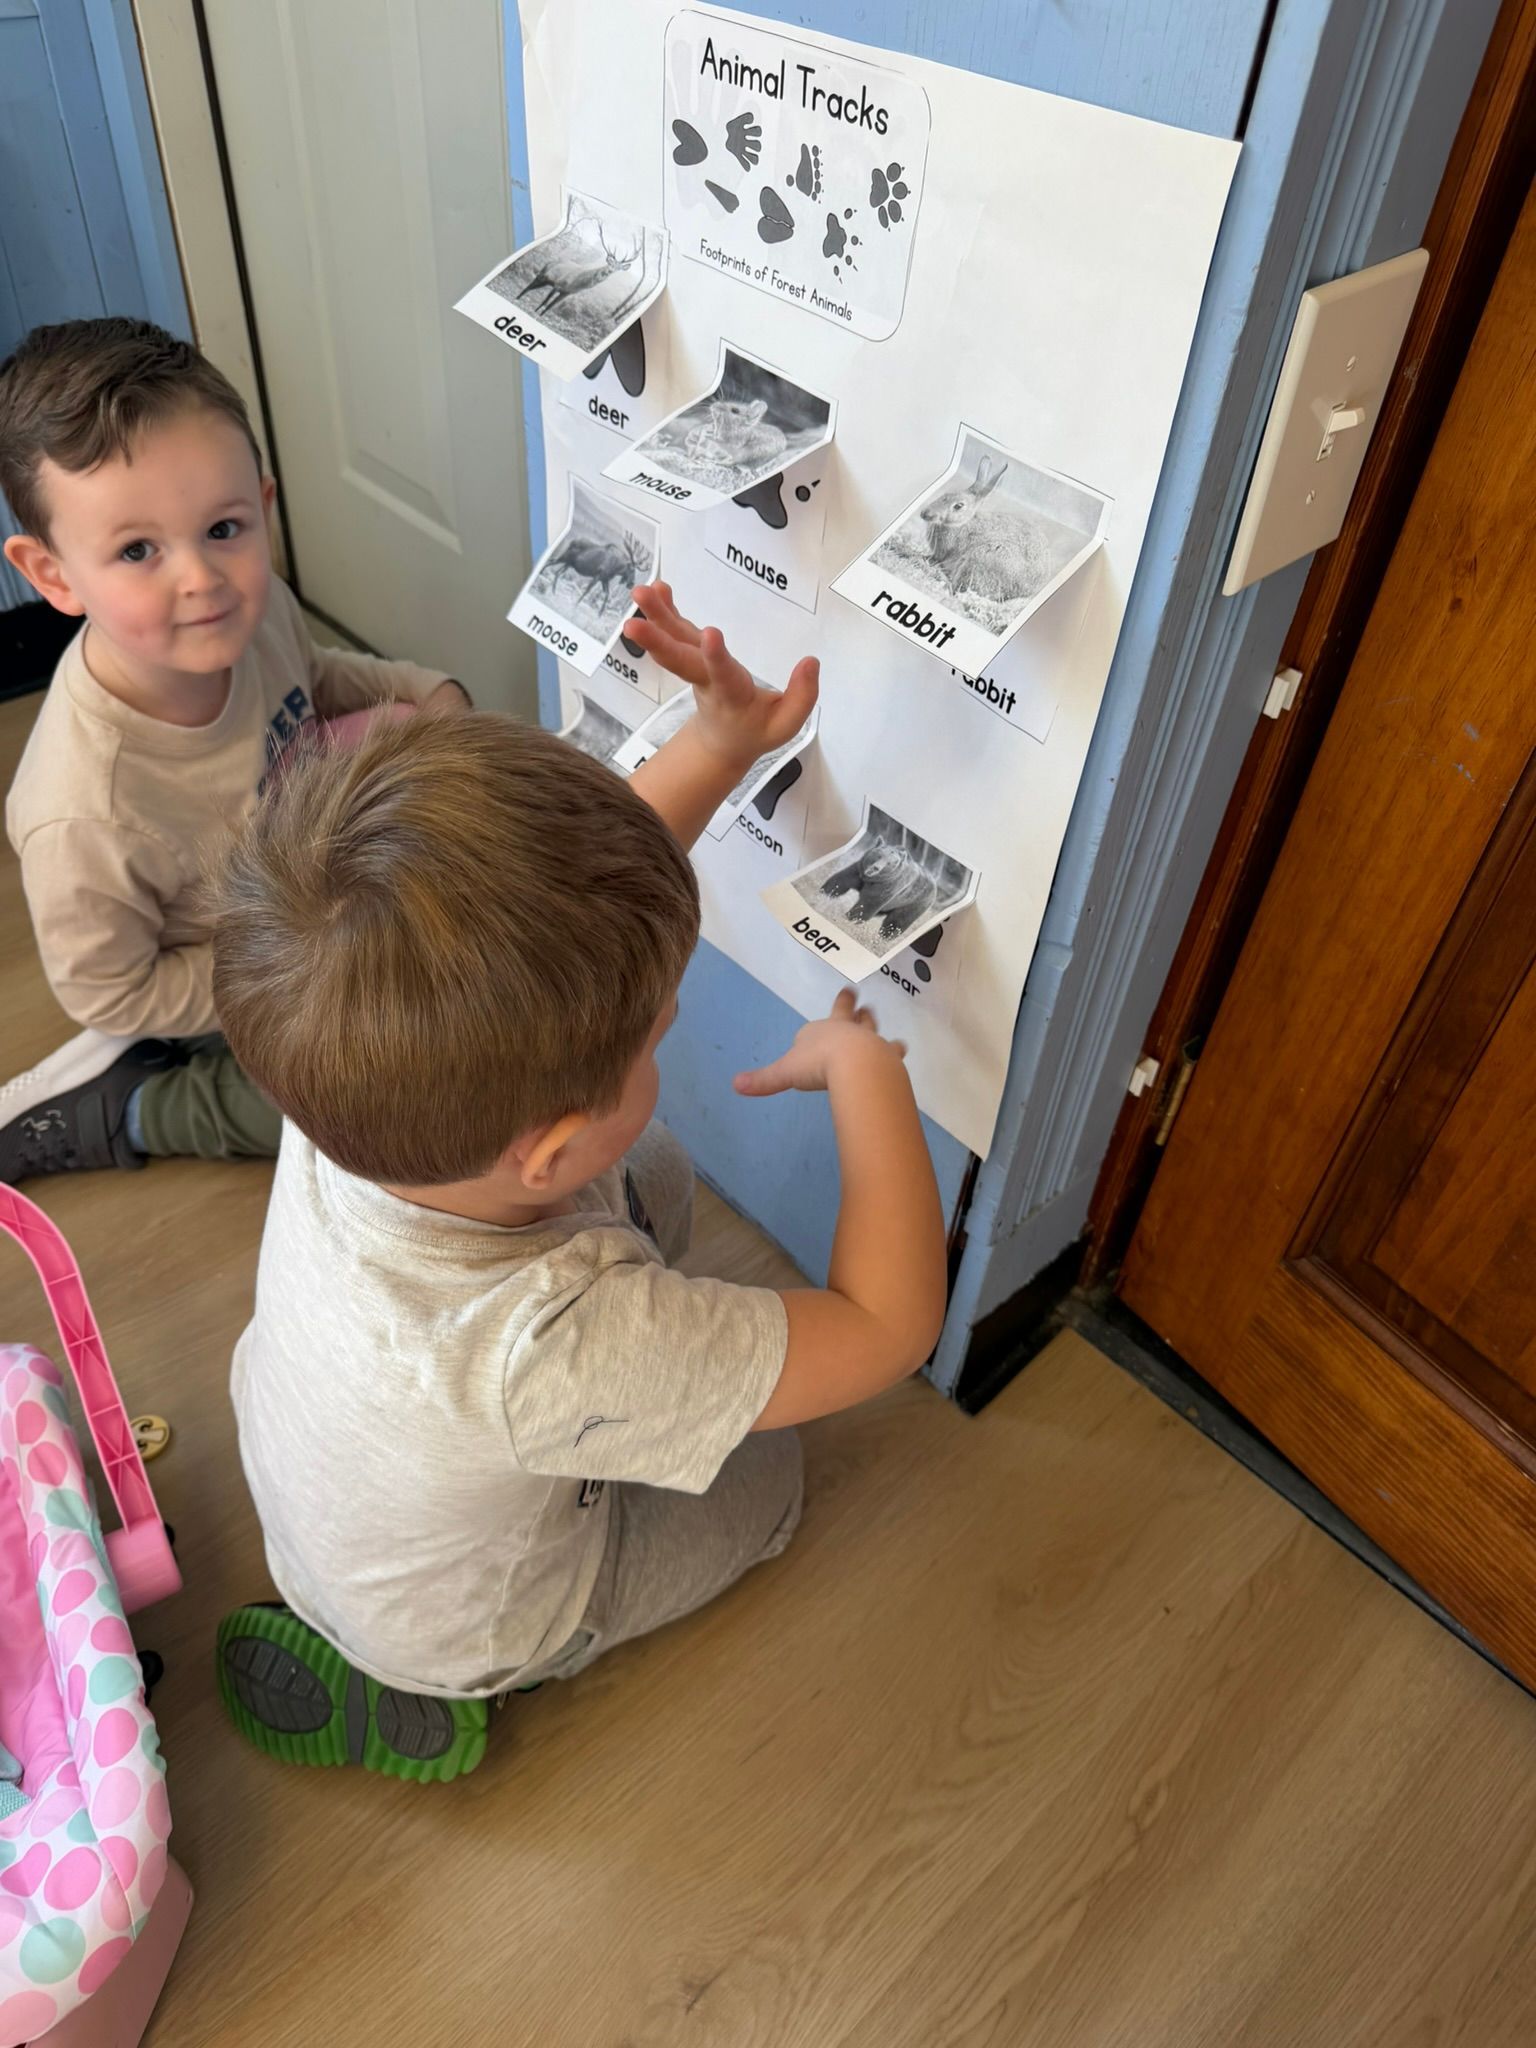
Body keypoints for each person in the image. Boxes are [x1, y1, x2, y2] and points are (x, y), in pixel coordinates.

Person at [211, 585, 948, 1779]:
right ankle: (440, 1683)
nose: (667, 1036)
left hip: (329, 1498)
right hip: (473, 1612)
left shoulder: (346, 1061)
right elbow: (887, 1326)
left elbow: (563, 931)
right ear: (545, 1153)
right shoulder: (550, 1342)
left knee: (651, 1173)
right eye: (657, 1039)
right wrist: (867, 1080)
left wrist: (715, 744)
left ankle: (394, 1617)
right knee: (769, 1478)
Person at [0, 317, 467, 1184]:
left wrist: (434, 694)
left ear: (262, 503)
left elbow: (323, 675)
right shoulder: (85, 815)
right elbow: (110, 991)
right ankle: (131, 1107)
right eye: (137, 550)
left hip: (293, 865)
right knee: (370, 1105)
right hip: (234, 958)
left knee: (412, 731)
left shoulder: (241, 615)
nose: (201, 578)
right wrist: (279, 973)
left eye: (223, 529)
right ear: (53, 575)